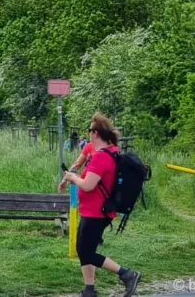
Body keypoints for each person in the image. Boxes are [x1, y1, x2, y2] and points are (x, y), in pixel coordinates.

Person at [59, 113, 142, 297]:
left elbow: (88, 185)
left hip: (96, 212)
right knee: (85, 250)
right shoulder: (110, 151)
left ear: (95, 133)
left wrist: (73, 178)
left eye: (89, 130)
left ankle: (127, 274)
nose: (88, 134)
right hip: (94, 210)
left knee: (86, 253)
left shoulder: (101, 157)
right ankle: (89, 290)